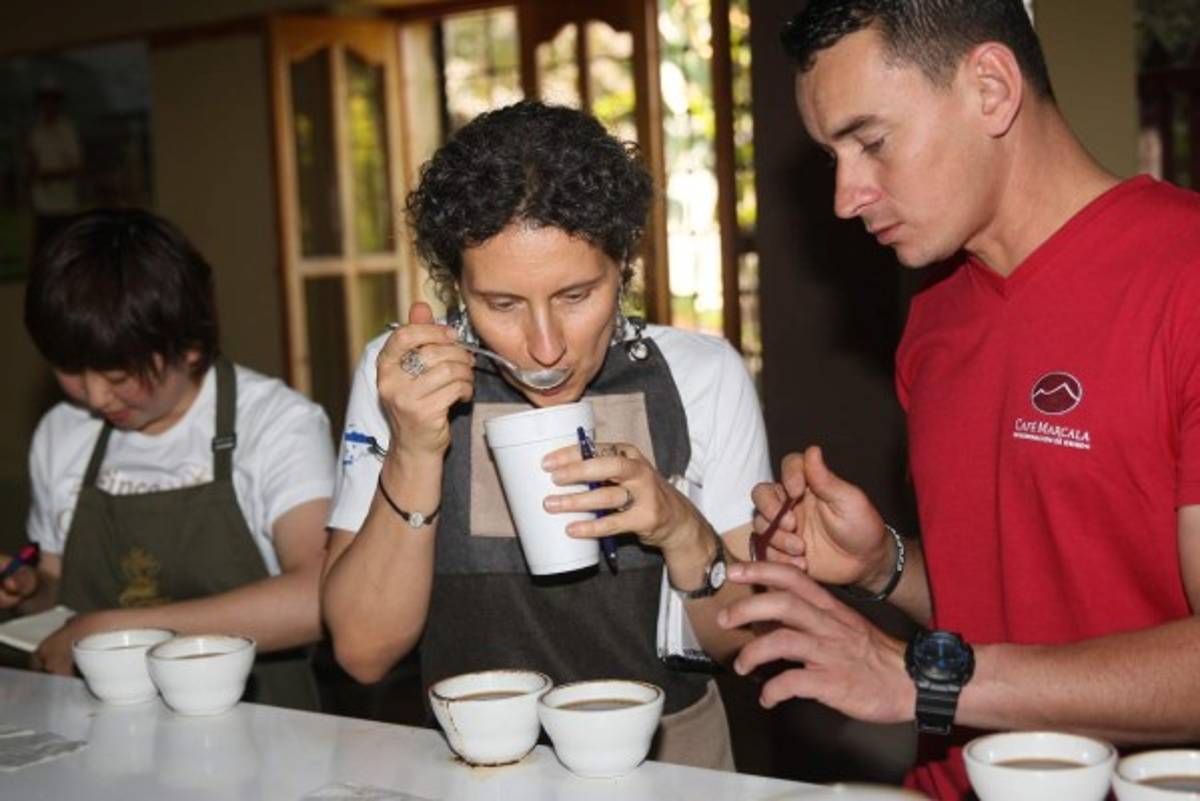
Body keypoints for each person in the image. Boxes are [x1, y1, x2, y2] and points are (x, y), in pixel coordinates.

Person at [716, 1, 1200, 798]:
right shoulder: (935, 317)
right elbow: (1016, 598)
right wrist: (885, 565)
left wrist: (925, 681)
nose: (846, 195)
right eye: (833, 155)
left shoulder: (1182, 278)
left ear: (990, 87)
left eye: (870, 142)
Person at [321, 101, 771, 770]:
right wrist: (415, 448)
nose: (544, 346)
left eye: (576, 295)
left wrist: (680, 526)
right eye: (501, 305)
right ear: (457, 288)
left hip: (671, 756)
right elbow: (363, 650)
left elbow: (746, 641)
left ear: (622, 264)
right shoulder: (405, 378)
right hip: (472, 761)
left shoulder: (702, 376)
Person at [0, 208, 335, 710]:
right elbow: (57, 587)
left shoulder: (276, 423)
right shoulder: (62, 432)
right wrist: (27, 589)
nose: (94, 396)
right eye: (71, 368)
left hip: (259, 724)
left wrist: (128, 632)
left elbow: (317, 597)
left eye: (117, 376)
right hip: (94, 728)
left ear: (191, 347)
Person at [27, 78, 84, 257]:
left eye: (53, 100)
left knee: (68, 254)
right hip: (43, 206)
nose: (48, 105)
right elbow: (31, 166)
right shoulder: (35, 131)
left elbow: (76, 167)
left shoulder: (67, 130)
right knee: (42, 256)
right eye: (45, 100)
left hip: (65, 205)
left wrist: (51, 174)